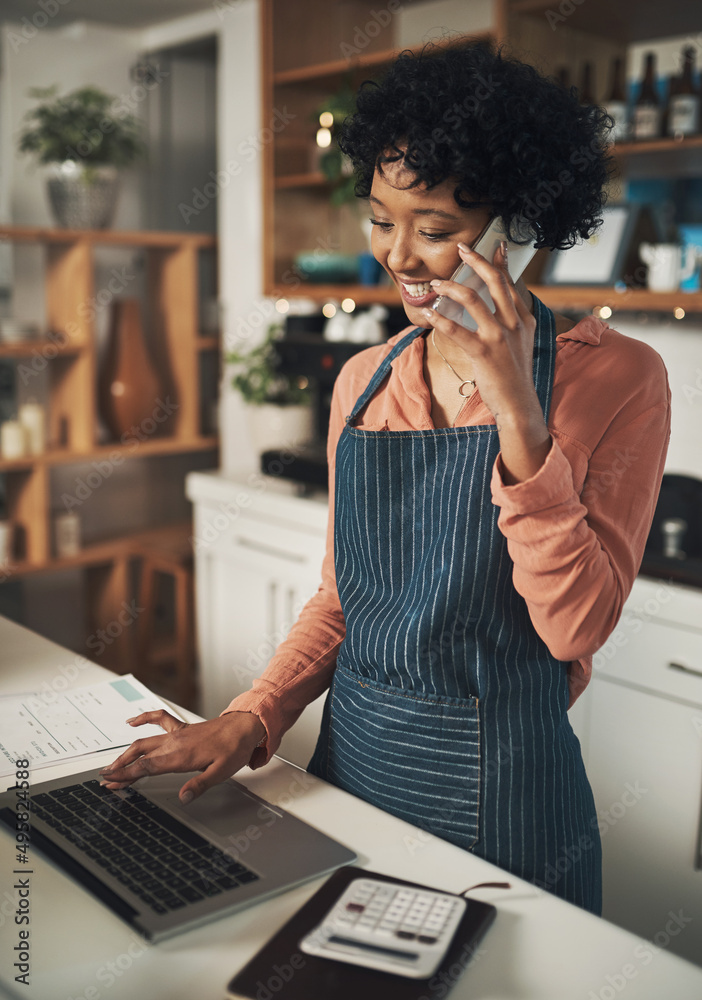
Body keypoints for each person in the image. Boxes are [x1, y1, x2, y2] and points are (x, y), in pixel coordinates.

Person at [100, 40, 670, 915]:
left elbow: (576, 628)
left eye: (436, 231)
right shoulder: (365, 384)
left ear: (518, 228)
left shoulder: (617, 377)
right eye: (380, 219)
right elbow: (343, 603)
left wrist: (520, 413)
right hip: (351, 775)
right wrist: (252, 716)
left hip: (510, 807)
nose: (397, 255)